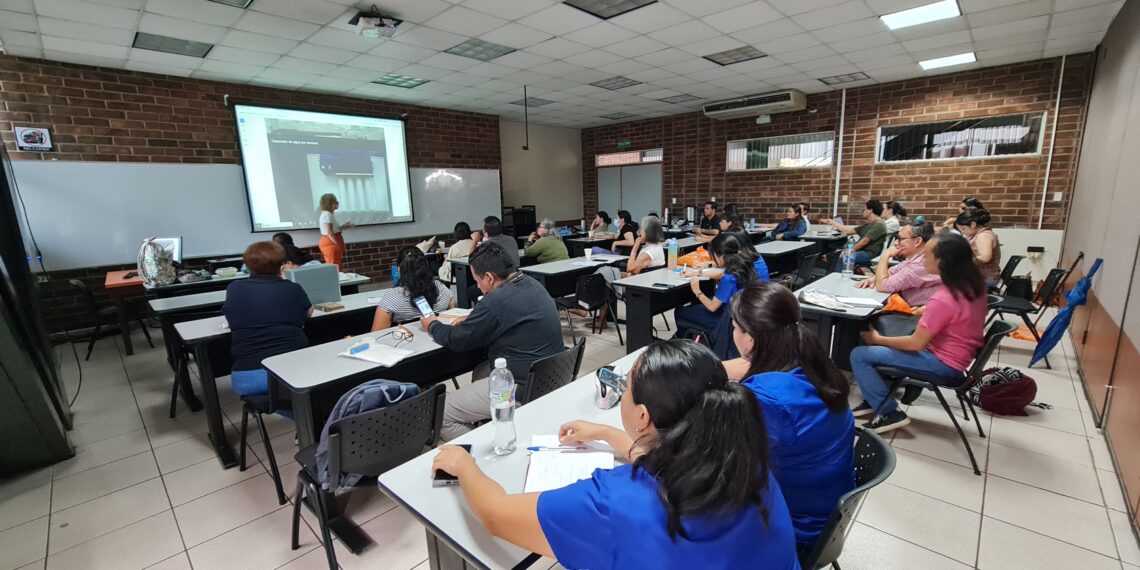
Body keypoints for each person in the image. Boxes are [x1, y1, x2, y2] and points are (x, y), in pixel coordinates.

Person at [430, 340, 800, 570]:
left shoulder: (612, 503)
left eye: (625, 389)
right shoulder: (744, 462)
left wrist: (464, 465)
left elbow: (495, 515)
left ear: (643, 417)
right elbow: (670, 469)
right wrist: (607, 434)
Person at [722, 282, 854, 549]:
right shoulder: (813, 361)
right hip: (823, 514)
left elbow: (716, 463)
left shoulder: (768, 401)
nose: (733, 333)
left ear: (750, 339)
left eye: (735, 327)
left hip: (793, 531)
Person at [422, 243, 563, 440]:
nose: (477, 286)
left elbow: (457, 340)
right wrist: (473, 321)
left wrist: (432, 325)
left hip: (521, 387)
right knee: (480, 371)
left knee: (440, 412)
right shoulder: (532, 283)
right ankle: (490, 419)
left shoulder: (495, 300)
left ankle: (485, 449)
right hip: (550, 376)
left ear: (489, 277)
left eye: (478, 281)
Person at [850, 233, 988, 433]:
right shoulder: (974, 286)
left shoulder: (944, 297)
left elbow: (916, 344)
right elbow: (960, 315)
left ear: (942, 261)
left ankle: (889, 413)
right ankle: (875, 399)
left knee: (860, 354)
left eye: (927, 255)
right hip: (959, 358)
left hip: (942, 364)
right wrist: (928, 311)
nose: (923, 259)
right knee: (878, 339)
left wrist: (879, 340)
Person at [222, 241, 313, 398]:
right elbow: (309, 313)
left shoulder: (234, 288)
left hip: (246, 377)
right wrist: (286, 281)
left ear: (247, 266)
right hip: (293, 373)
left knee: (288, 398)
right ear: (282, 265)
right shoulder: (292, 288)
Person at [586, 216, 666, 328]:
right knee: (605, 272)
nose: (639, 232)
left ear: (648, 232)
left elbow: (630, 268)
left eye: (642, 229)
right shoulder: (657, 246)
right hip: (644, 280)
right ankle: (599, 315)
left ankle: (595, 314)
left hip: (638, 286)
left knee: (603, 280)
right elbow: (637, 270)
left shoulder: (648, 252)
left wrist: (635, 247)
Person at [674, 232, 759, 337]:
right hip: (740, 317)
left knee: (680, 312)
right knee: (694, 307)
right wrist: (698, 272)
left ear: (721, 256)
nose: (713, 260)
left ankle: (688, 343)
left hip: (724, 321)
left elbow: (712, 307)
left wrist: (697, 291)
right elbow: (721, 273)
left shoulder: (728, 279)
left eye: (713, 256)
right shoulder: (745, 267)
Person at [855, 221, 942, 307]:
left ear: (918, 241)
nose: (896, 243)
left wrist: (885, 255)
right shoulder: (917, 258)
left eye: (901, 239)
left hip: (915, 314)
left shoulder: (919, 265)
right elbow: (892, 271)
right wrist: (872, 279)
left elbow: (882, 287)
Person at [372, 247, 453, 331]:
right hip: (440, 339)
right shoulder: (442, 289)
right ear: (426, 267)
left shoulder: (391, 297)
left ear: (399, 269)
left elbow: (376, 333)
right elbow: (453, 319)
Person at [821, 200, 888, 270]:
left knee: (843, 258)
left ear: (870, 210)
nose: (862, 211)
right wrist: (832, 222)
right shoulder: (869, 224)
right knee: (832, 255)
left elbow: (864, 241)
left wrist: (849, 252)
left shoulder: (879, 224)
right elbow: (849, 231)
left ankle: (838, 279)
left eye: (864, 209)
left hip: (869, 254)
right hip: (862, 251)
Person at [956, 207, 1002, 287]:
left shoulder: (983, 236)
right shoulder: (982, 234)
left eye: (963, 229)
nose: (962, 232)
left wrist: (962, 263)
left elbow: (985, 257)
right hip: (985, 276)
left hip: (986, 278)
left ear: (973, 224)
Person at [316, 193, 354, 269]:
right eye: (335, 201)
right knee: (334, 267)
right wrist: (337, 244)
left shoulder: (328, 214)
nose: (337, 203)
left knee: (336, 265)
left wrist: (345, 226)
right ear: (329, 204)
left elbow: (335, 229)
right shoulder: (327, 214)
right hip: (330, 242)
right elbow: (329, 232)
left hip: (331, 240)